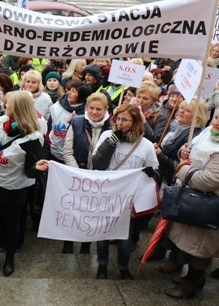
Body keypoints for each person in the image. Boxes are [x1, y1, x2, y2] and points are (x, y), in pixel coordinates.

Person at [0, 91, 49, 277]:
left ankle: (10, 258)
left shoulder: (34, 137)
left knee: (12, 225)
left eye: (9, 103)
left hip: (14, 188)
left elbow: (29, 171)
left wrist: (37, 167)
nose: (5, 106)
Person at [91, 104, 159, 280]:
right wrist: (111, 142)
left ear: (135, 122)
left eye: (125, 120)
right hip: (106, 194)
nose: (120, 123)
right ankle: (102, 265)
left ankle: (123, 265)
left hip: (129, 199)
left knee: (125, 236)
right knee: (103, 233)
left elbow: (155, 168)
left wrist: (152, 172)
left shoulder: (145, 145)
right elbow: (97, 163)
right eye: (118, 119)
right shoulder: (107, 136)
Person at [163, 111, 219, 299]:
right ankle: (195, 277)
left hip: (209, 205)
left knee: (201, 248)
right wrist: (183, 152)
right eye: (218, 117)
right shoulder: (207, 132)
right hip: (194, 200)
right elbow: (191, 152)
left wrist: (181, 168)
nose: (218, 122)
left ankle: (190, 284)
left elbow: (208, 181)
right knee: (191, 244)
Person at [62, 92, 112, 254]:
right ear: (86, 108)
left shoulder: (112, 127)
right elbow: (67, 152)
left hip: (100, 180)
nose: (95, 112)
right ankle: (68, 242)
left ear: (105, 110)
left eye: (99, 109)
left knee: (91, 213)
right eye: (91, 108)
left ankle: (85, 245)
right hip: (78, 177)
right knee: (72, 211)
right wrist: (78, 174)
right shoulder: (76, 123)